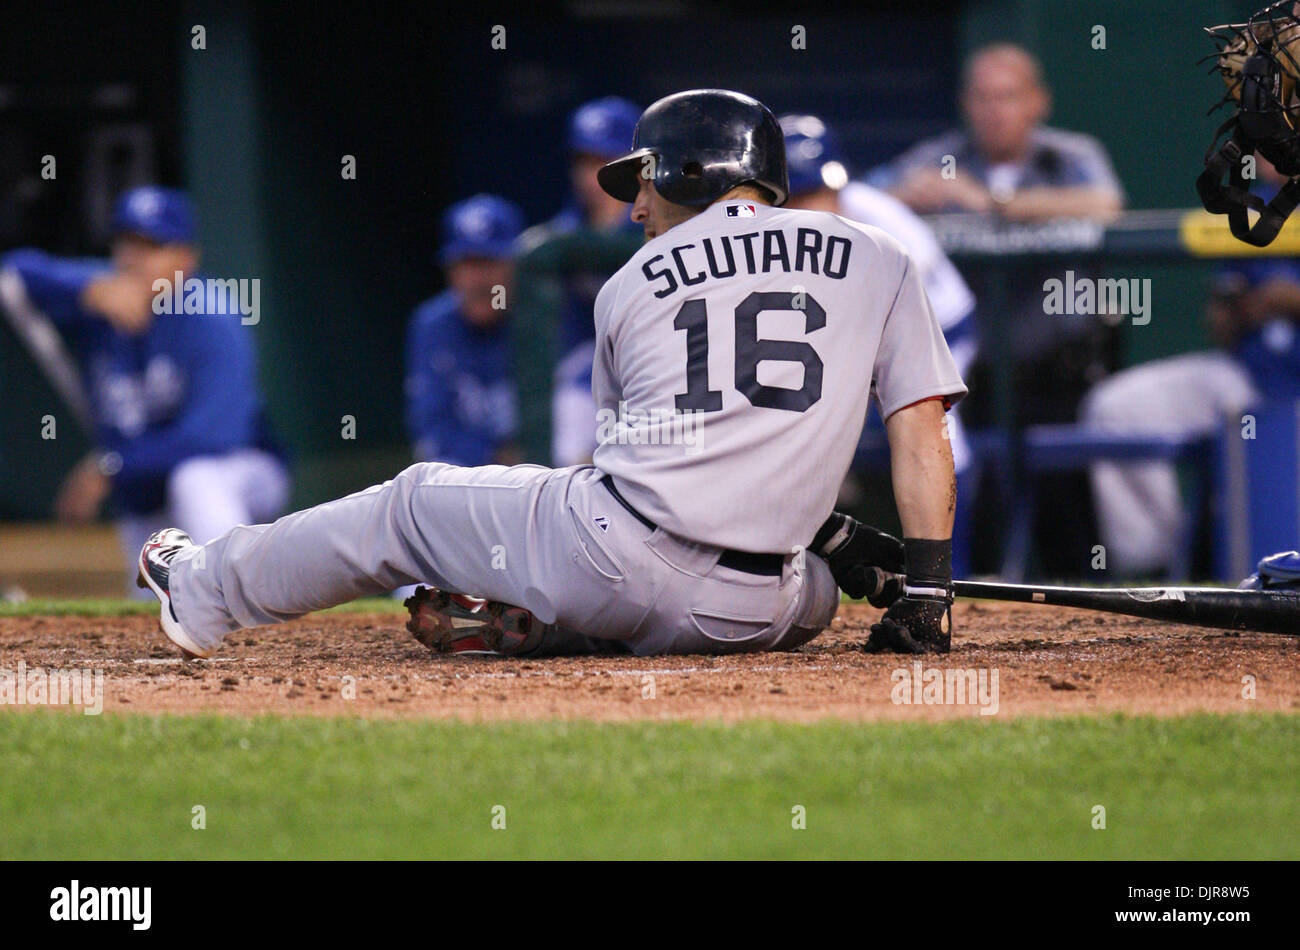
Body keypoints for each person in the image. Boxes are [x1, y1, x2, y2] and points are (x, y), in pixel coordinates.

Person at [135, 90, 966, 661]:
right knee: (819, 590)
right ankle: (560, 622)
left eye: (642, 181)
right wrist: (911, 584)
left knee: (409, 503)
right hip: (766, 613)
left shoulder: (632, 282)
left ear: (688, 173)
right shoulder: (881, 255)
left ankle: (203, 592)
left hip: (626, 567)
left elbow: (652, 475)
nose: (635, 207)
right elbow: (921, 431)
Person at [868, 43, 1126, 575]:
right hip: (972, 376)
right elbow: (865, 197)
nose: (995, 110)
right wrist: (908, 197)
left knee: (1068, 524)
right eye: (983, 97)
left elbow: (1106, 204)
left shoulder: (1068, 155)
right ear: (967, 103)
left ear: (1037, 102)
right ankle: (964, 590)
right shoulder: (944, 155)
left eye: (1008, 97)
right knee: (964, 490)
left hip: (1059, 370)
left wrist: (994, 206)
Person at [0, 185, 289, 591]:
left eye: (152, 245)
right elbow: (13, 274)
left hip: (242, 474)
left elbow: (210, 437)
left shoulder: (211, 316)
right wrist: (83, 288)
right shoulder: (103, 295)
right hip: (146, 496)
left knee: (195, 478)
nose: (134, 258)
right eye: (126, 242)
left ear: (185, 259)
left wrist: (112, 467)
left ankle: (241, 594)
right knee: (153, 618)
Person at [781, 113, 978, 578]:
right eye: (803, 193)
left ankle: (954, 571)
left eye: (824, 189)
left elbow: (902, 317)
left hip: (943, 331)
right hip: (840, 342)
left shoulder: (880, 220)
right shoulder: (765, 233)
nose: (819, 203)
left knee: (941, 427)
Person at [1083, 159, 1300, 577]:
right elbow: (1224, 315)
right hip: (1246, 378)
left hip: (1291, 392)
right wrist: (1231, 309)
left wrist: (1290, 301)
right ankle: (1158, 568)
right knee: (1117, 407)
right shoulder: (1262, 204)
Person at [518, 96, 642, 466]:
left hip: (655, 359)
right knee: (566, 436)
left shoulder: (664, 226)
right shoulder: (564, 233)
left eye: (604, 162)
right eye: (583, 162)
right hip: (590, 368)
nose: (591, 177)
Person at [406, 194, 525, 468]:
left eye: (488, 263)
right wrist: (497, 464)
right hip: (470, 482)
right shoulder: (432, 325)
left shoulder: (544, 317)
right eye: (464, 265)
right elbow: (432, 432)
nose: (476, 280)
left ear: (516, 266)